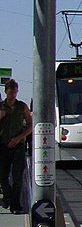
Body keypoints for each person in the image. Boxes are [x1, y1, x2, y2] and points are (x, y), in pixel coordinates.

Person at [0, 79, 33, 214]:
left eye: (15, 92)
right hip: (3, 145)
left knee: (17, 176)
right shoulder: (1, 107)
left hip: (18, 145)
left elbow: (31, 125)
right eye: (10, 92)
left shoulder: (22, 106)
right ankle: (7, 196)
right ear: (6, 91)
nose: (13, 95)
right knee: (2, 175)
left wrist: (19, 138)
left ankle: (15, 205)